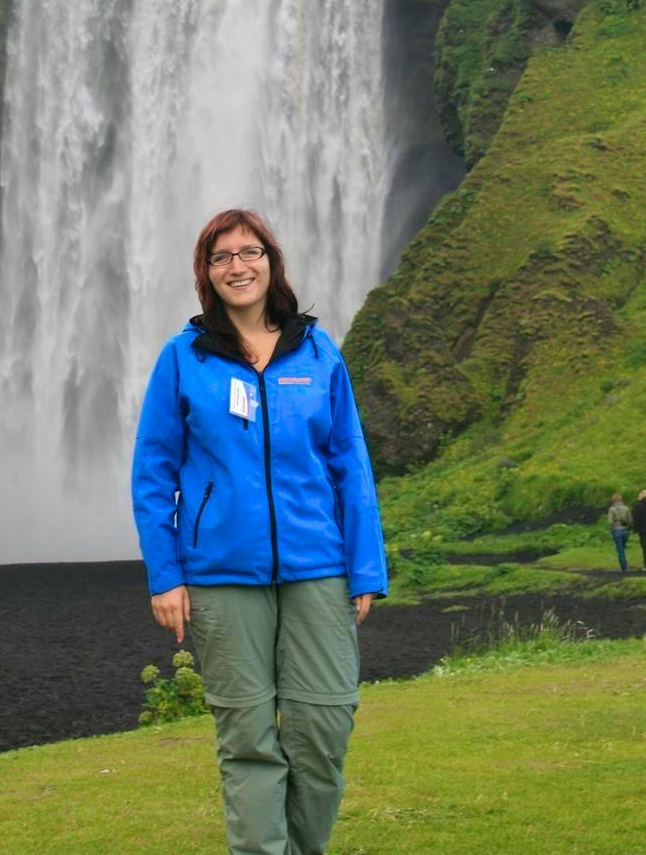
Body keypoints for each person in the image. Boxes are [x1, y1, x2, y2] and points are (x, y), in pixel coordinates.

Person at [131, 208, 388, 855]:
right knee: (247, 740)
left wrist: (366, 567)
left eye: (249, 252)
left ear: (272, 262)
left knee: (324, 725)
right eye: (221, 256)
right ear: (206, 273)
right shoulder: (183, 358)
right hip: (219, 575)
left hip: (317, 569)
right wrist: (167, 574)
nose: (237, 266)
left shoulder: (318, 351)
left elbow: (349, 465)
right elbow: (153, 472)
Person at [607, 493, 633, 573]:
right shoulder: (626, 508)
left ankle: (624, 568)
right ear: (621, 499)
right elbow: (630, 521)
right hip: (625, 531)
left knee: (620, 550)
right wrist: (628, 529)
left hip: (617, 531)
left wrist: (612, 530)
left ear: (613, 500)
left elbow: (610, 522)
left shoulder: (612, 509)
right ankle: (625, 564)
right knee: (623, 548)